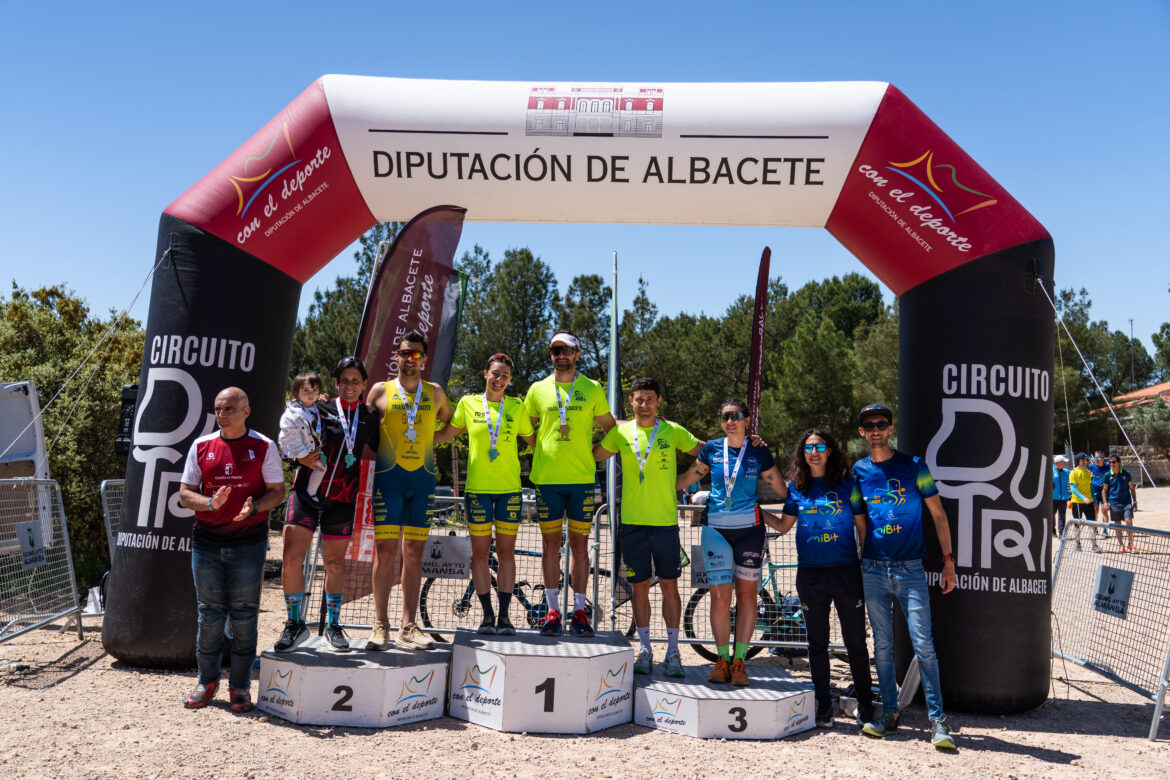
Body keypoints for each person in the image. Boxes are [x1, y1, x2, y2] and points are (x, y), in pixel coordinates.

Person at [850, 403, 956, 750]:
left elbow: (938, 514)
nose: (876, 429)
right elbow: (860, 520)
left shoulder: (914, 466)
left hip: (911, 568)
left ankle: (938, 722)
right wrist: (864, 559)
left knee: (923, 644)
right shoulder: (859, 471)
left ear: (890, 429)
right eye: (869, 425)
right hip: (874, 570)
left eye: (882, 423)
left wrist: (949, 562)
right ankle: (890, 716)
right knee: (881, 646)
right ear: (862, 432)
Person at [177, 387, 285, 712]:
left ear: (245, 411)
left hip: (248, 544)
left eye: (229, 409)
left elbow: (278, 492)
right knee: (209, 615)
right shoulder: (201, 446)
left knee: (244, 616)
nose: (222, 414)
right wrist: (210, 503)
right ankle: (206, 682)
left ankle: (239, 687)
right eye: (218, 409)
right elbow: (184, 494)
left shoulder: (264, 447)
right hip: (207, 543)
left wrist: (253, 508)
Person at [675, 398, 787, 687]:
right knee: (720, 597)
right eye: (725, 416)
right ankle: (722, 660)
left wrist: (806, 502)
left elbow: (780, 487)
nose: (730, 421)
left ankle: (740, 662)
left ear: (747, 419)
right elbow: (690, 476)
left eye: (736, 415)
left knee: (748, 597)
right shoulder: (712, 449)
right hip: (715, 531)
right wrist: (657, 486)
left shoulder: (760, 451)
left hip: (750, 531)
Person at [594, 378, 701, 677]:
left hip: (665, 522)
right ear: (631, 401)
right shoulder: (620, 433)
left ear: (659, 402)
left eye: (650, 399)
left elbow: (704, 452)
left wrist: (691, 477)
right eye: (639, 399)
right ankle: (644, 649)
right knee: (639, 587)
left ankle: (673, 651)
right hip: (633, 524)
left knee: (669, 585)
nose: (644, 404)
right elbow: (592, 455)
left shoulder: (672, 430)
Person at [275, 357, 380, 653]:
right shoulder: (318, 407)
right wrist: (295, 458)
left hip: (343, 497)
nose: (349, 386)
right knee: (291, 558)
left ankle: (334, 625)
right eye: (344, 380)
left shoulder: (370, 415)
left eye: (355, 381)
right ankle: (294, 624)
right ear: (336, 383)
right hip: (307, 493)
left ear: (364, 385)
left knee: (334, 564)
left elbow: (384, 448)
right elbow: (287, 437)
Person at [772, 428, 874, 728]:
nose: (813, 452)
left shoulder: (847, 484)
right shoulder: (796, 487)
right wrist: (753, 509)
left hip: (846, 572)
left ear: (830, 450)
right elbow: (783, 526)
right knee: (817, 644)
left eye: (819, 446)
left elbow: (862, 526)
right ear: (802, 453)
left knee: (855, 643)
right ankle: (823, 707)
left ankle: (866, 708)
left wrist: (867, 564)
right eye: (808, 447)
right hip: (811, 576)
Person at [366, 331, 454, 651]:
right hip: (389, 479)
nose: (410, 359)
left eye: (416, 354)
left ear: (424, 359)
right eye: (405, 353)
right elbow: (362, 427)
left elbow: (452, 423)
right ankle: (380, 624)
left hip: (422, 480)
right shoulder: (379, 391)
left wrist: (434, 442)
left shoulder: (436, 392)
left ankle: (409, 625)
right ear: (397, 356)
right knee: (385, 553)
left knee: (413, 554)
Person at [435, 354, 535, 634]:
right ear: (485, 374)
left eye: (504, 375)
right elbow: (445, 434)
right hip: (478, 491)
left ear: (510, 380)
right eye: (495, 373)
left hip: (509, 492)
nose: (499, 379)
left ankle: (504, 617)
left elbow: (536, 440)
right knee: (479, 555)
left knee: (506, 554)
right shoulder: (468, 403)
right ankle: (487, 616)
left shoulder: (517, 407)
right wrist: (413, 437)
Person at [525, 330, 616, 637]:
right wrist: (540, 448)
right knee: (550, 547)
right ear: (550, 355)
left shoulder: (592, 388)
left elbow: (611, 429)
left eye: (566, 350)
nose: (560, 354)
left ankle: (579, 611)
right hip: (547, 481)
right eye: (555, 350)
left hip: (581, 481)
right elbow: (525, 428)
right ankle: (552, 612)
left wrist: (595, 454)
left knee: (579, 546)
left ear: (578, 353)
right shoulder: (537, 389)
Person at [278, 371, 327, 495]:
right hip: (299, 451)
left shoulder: (317, 406)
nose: (311, 394)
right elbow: (290, 436)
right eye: (306, 390)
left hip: (312, 447)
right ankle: (310, 493)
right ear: (296, 392)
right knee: (321, 468)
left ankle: (306, 491)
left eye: (315, 390)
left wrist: (324, 399)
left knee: (317, 468)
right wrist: (302, 455)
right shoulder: (292, 413)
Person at [1101, 453, 1139, 553]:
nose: (1111, 464)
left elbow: (1132, 488)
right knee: (1117, 525)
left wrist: (1135, 501)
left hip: (1126, 502)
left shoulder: (1126, 474)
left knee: (1128, 521)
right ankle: (1121, 545)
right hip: (1114, 503)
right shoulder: (1107, 475)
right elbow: (1104, 490)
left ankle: (1131, 544)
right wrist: (1105, 502)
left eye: (1114, 462)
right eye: (1110, 462)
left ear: (1119, 462)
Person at [1068, 452, 1099, 552]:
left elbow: (1090, 487)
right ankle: (1078, 544)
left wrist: (1094, 500)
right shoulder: (1073, 473)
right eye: (1085, 459)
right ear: (1080, 461)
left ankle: (1094, 545)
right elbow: (1073, 489)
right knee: (1077, 524)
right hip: (1077, 502)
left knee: (1092, 524)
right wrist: (1083, 498)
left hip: (1089, 502)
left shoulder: (1087, 472)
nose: (1087, 461)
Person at [1051, 454, 1070, 538]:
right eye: (1063, 462)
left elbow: (1073, 480)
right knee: (1051, 515)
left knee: (1062, 516)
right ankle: (1052, 531)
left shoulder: (1067, 472)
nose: (1065, 464)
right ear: (1058, 463)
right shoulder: (1050, 470)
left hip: (1063, 498)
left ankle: (1062, 532)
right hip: (1052, 498)